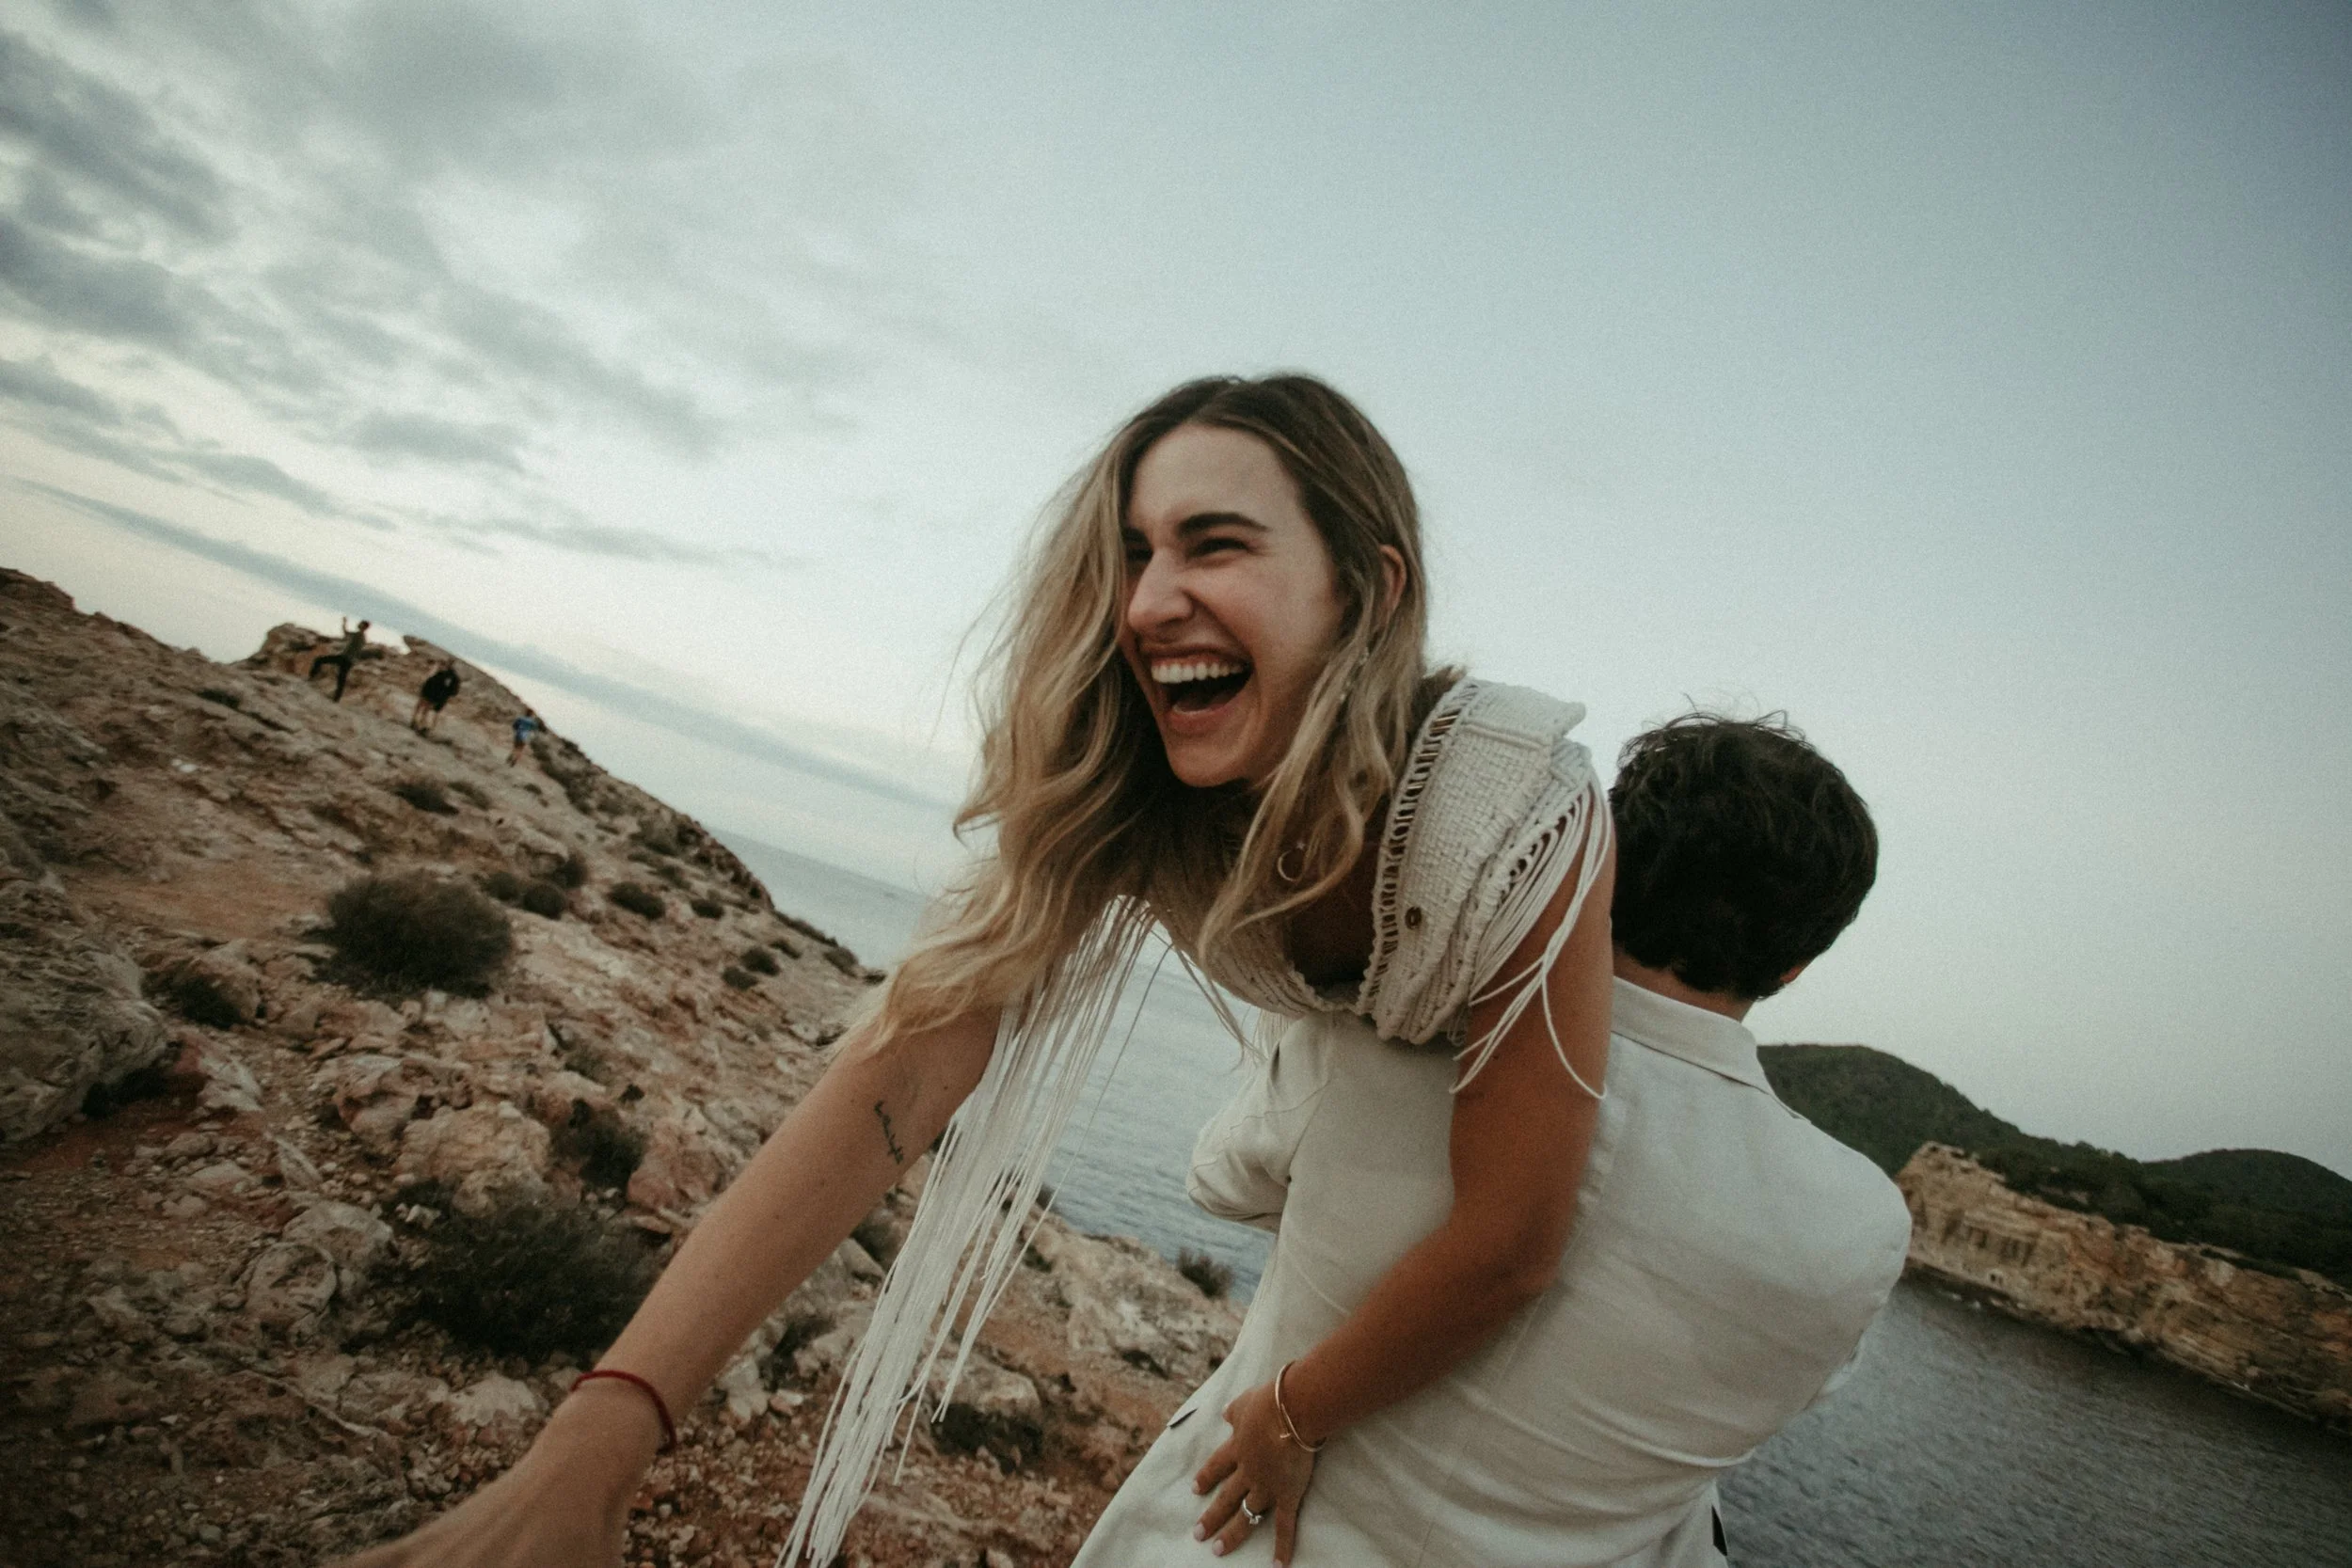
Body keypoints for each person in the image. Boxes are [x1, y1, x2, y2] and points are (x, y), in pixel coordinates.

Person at [336, 374, 1620, 1568]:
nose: (1147, 600)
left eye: (1214, 543)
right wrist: (607, 1428)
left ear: (1371, 588)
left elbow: (1512, 1236)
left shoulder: (1505, 810)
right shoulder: (1143, 790)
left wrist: (1293, 1409)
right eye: (1133, 552)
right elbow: (903, 1064)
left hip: (1557, 1210)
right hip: (1355, 1188)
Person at [1104, 713, 1908, 1565]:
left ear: (1609, 867)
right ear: (1797, 964)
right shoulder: (1858, 1227)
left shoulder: (1385, 1038)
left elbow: (1221, 1182)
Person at [307, 617, 370, 702]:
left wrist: (344, 623)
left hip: (345, 658)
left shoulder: (358, 635)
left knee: (319, 660)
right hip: (349, 660)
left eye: (361, 623)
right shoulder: (361, 637)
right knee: (341, 679)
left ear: (363, 627)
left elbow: (346, 633)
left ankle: (312, 677)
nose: (358, 624)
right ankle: (336, 698)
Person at [410, 660, 460, 734]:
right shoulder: (442, 674)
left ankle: (423, 727)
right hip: (432, 695)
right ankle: (421, 725)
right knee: (425, 710)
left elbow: (451, 690)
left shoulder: (449, 676)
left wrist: (442, 695)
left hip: (434, 696)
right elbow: (430, 682)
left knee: (427, 711)